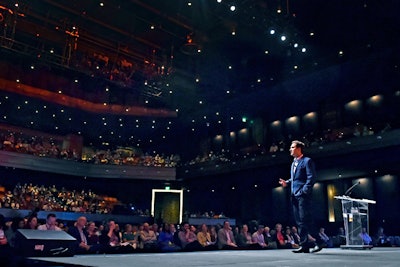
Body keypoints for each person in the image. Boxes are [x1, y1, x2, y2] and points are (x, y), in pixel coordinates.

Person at [279, 140, 322, 253]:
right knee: (299, 221)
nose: (290, 149)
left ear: (299, 149)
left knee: (305, 220)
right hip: (294, 195)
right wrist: (287, 183)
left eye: (292, 147)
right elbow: (295, 179)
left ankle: (318, 241)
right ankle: (305, 245)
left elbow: (311, 177)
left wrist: (304, 190)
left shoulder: (307, 161)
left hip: (302, 195)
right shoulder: (293, 163)